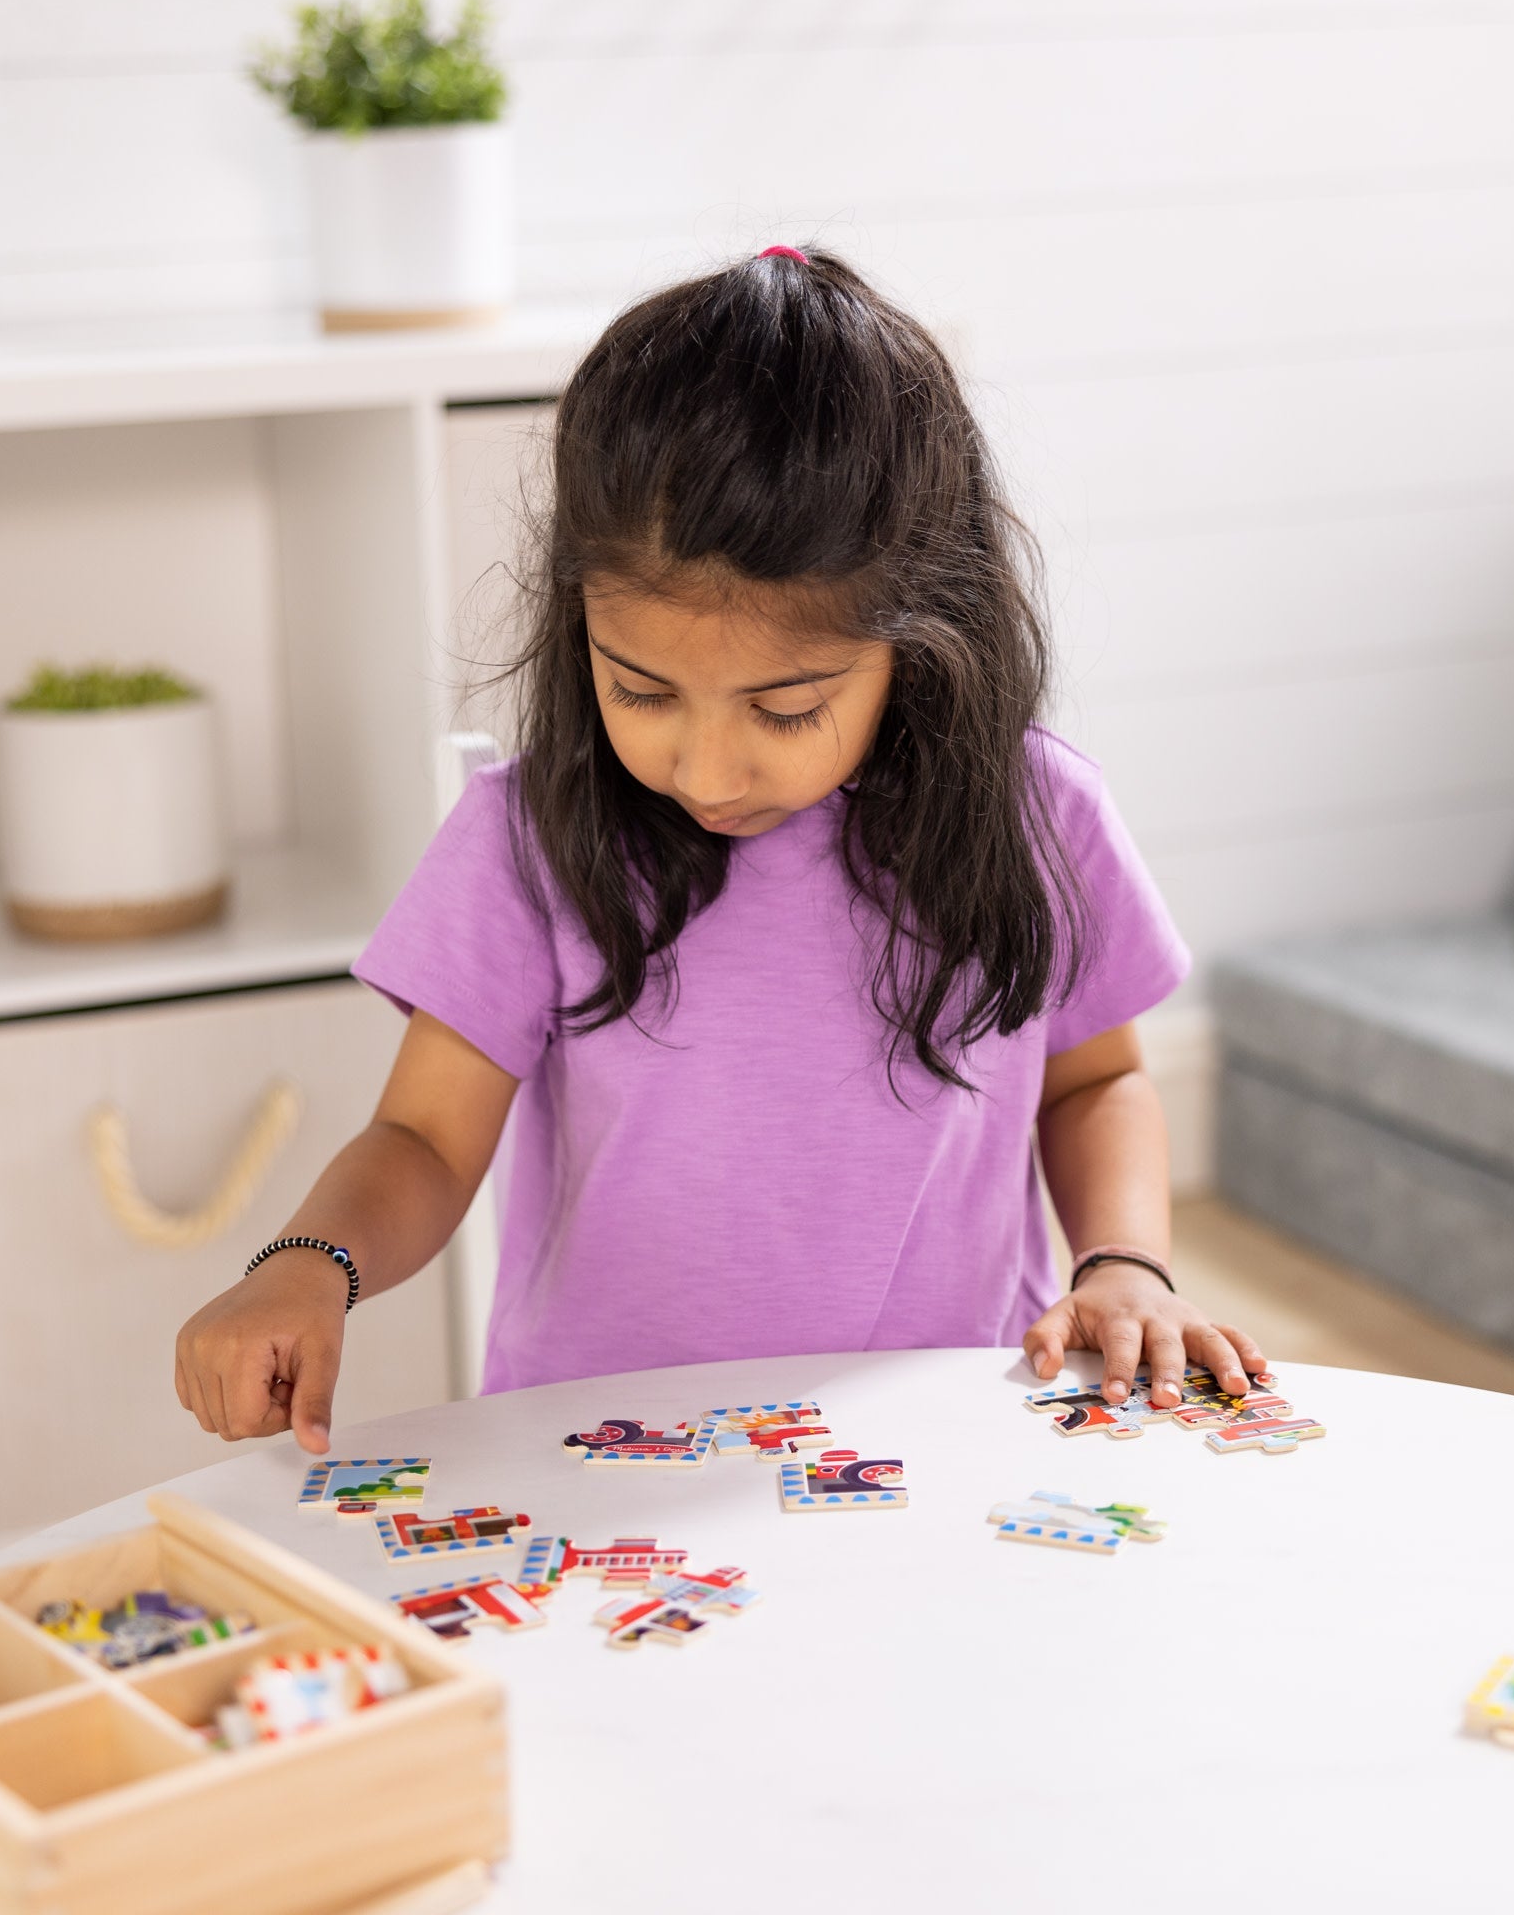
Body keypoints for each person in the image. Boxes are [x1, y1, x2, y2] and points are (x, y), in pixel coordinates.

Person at [174, 245, 1268, 1456]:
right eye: (639, 691)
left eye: (784, 709)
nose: (706, 770)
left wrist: (1124, 1261)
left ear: (922, 632)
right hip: (600, 1458)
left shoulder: (1034, 813)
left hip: (945, 1437)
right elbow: (424, 1140)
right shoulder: (527, 837)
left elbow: (1093, 1078)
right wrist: (306, 1263)